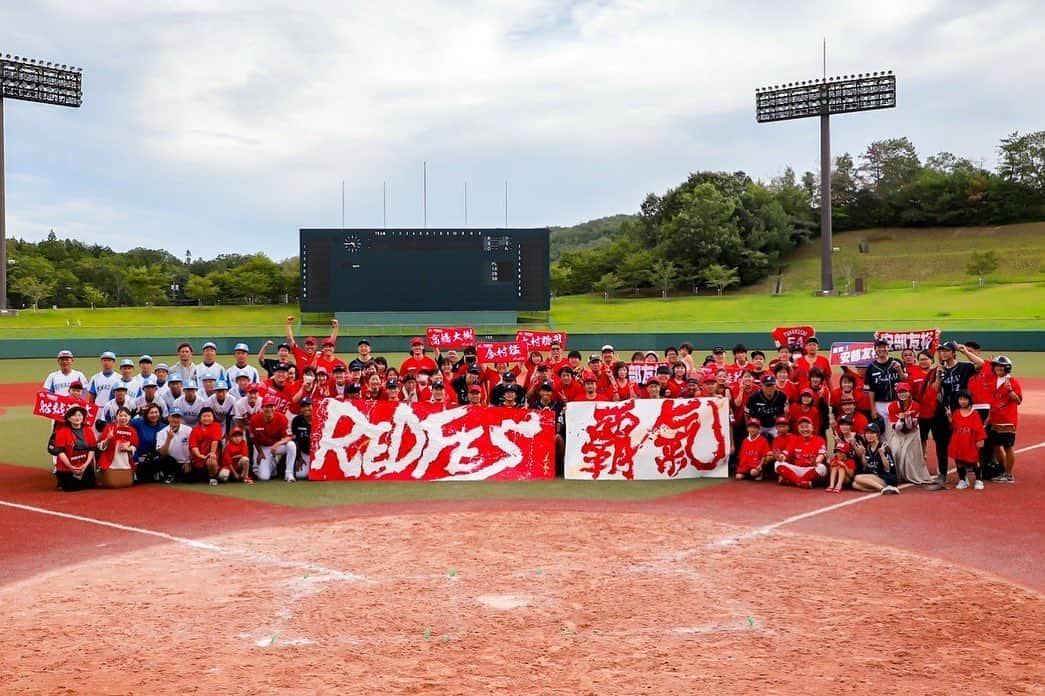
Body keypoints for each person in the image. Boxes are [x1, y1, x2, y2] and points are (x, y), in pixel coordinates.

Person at [931, 341, 984, 484]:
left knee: (962, 441)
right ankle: (942, 473)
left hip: (961, 410)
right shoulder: (939, 369)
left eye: (947, 350)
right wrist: (938, 376)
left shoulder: (963, 367)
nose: (943, 353)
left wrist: (965, 352)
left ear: (953, 352)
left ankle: (966, 474)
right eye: (942, 350)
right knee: (941, 443)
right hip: (943, 410)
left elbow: (981, 364)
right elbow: (935, 390)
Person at [887, 382, 935, 485]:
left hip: (912, 433)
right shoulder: (892, 406)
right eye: (899, 392)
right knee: (895, 451)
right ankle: (896, 475)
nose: (902, 394)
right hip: (897, 433)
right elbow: (897, 428)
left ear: (909, 393)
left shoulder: (916, 405)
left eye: (904, 391)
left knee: (909, 454)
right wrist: (900, 420)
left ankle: (911, 475)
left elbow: (910, 427)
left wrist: (907, 418)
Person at [987, 356, 1022, 483]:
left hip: (1007, 420)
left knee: (1008, 447)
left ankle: (1009, 475)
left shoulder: (1012, 382)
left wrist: (1010, 391)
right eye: (996, 366)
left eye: (1001, 366)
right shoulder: (993, 381)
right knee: (996, 446)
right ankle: (1002, 471)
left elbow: (1018, 401)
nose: (998, 368)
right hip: (994, 420)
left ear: (1007, 368)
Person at [49, 405, 98, 491]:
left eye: (80, 415)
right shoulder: (61, 432)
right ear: (68, 418)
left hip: (84, 465)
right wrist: (71, 467)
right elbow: (60, 451)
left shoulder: (88, 430)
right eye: (74, 415)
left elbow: (92, 449)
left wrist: (85, 465)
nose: (77, 418)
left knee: (90, 486)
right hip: (67, 467)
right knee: (71, 488)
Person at [250, 398, 297, 482]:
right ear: (262, 408)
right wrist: (259, 452)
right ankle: (273, 465)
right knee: (263, 477)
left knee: (291, 445)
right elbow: (254, 439)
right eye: (266, 406)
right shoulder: (255, 419)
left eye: (271, 406)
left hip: (276, 447)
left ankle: (289, 474)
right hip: (263, 447)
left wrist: (277, 444)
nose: (269, 409)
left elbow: (289, 436)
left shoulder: (281, 418)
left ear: (275, 407)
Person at [949, 389, 987, 490]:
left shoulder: (974, 414)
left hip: (970, 441)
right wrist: (950, 419)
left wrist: (980, 440)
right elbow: (953, 427)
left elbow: (979, 428)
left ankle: (978, 480)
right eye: (960, 399)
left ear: (969, 400)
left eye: (965, 399)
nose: (962, 401)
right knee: (959, 461)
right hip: (958, 441)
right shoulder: (956, 413)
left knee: (974, 461)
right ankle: (963, 480)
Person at [774, 416, 827, 489]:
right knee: (777, 463)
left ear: (812, 428)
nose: (805, 429)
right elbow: (785, 454)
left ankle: (791, 480)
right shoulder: (794, 440)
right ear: (798, 429)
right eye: (802, 427)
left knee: (822, 468)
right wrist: (780, 457)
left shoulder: (819, 439)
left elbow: (821, 455)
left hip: (811, 468)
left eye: (807, 427)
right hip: (797, 469)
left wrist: (815, 462)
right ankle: (800, 482)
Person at [864, 339, 907, 422]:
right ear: (875, 349)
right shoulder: (871, 367)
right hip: (879, 404)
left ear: (888, 348)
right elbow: (870, 390)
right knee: (882, 431)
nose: (882, 349)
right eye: (879, 347)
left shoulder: (897, 362)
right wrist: (873, 408)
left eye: (884, 347)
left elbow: (905, 381)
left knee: (898, 429)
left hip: (896, 401)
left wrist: (899, 370)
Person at [851, 422, 900, 494]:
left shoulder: (883, 447)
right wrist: (862, 455)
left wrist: (882, 455)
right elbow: (865, 466)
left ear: (877, 434)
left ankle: (883, 488)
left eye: (872, 433)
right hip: (874, 476)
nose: (869, 435)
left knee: (857, 478)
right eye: (867, 433)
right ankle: (882, 489)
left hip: (886, 478)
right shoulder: (867, 448)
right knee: (854, 484)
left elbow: (888, 468)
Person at [97, 407, 139, 477]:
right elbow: (99, 445)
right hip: (110, 460)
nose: (123, 418)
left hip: (125, 460)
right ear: (116, 417)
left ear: (130, 417)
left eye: (125, 416)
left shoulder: (132, 431)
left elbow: (135, 445)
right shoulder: (109, 428)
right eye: (120, 415)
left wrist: (128, 449)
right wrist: (107, 438)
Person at [132, 403, 168, 483]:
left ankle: (158, 473)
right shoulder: (138, 423)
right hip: (140, 458)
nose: (154, 415)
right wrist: (136, 412)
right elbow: (126, 420)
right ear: (146, 414)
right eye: (151, 413)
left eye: (156, 412)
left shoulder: (163, 427)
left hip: (155, 457)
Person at [745, 374, 788, 439]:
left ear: (775, 385)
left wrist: (781, 427)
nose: (770, 388)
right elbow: (746, 413)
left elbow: (786, 413)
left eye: (772, 385)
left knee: (781, 439)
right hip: (758, 425)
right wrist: (749, 426)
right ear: (762, 386)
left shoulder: (782, 396)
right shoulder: (754, 397)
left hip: (775, 425)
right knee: (753, 441)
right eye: (767, 385)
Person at [156, 409, 193, 484]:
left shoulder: (189, 430)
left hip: (186, 462)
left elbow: (193, 447)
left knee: (189, 479)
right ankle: (170, 475)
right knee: (163, 459)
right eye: (173, 417)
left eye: (178, 417)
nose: (175, 420)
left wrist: (189, 462)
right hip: (172, 463)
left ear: (181, 419)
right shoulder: (162, 432)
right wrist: (168, 439)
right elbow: (162, 453)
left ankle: (178, 476)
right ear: (169, 418)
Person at [187, 407, 223, 485]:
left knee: (211, 459)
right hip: (198, 460)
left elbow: (215, 441)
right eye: (204, 416)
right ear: (200, 418)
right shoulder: (195, 430)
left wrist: (212, 452)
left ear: (213, 417)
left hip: (212, 459)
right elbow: (193, 446)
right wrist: (199, 455)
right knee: (188, 477)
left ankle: (213, 478)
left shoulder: (216, 426)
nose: (207, 418)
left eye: (209, 416)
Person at [289, 398, 313, 481]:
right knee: (301, 475)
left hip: (319, 454)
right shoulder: (296, 420)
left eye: (308, 406)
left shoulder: (320, 418)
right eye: (303, 406)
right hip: (305, 452)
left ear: (313, 406)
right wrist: (298, 457)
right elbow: (296, 441)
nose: (306, 408)